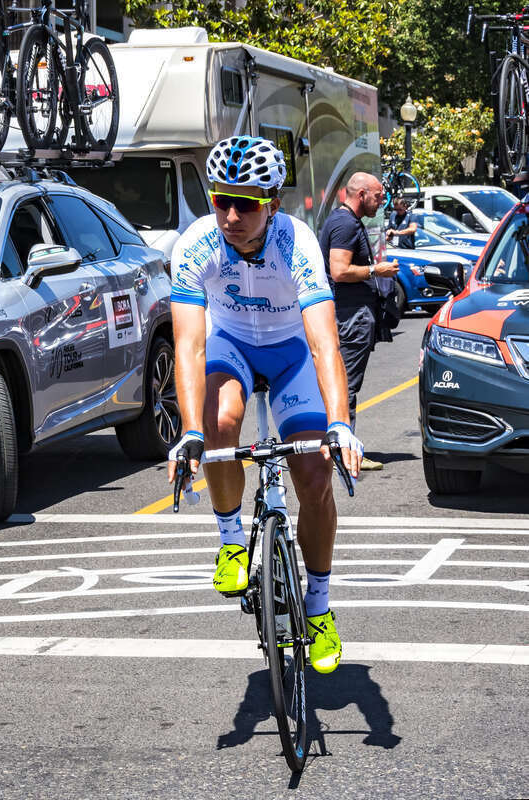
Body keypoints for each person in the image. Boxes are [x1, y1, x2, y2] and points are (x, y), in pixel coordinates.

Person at [167, 136, 363, 674]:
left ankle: (319, 606)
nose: (230, 215)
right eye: (220, 200)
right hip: (229, 344)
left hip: (290, 351)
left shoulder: (296, 244)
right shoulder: (195, 244)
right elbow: (189, 344)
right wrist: (189, 432)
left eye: (246, 203)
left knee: (314, 473)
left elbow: (325, 342)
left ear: (272, 203)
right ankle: (232, 540)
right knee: (219, 422)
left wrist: (341, 424)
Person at [319, 172, 400, 470]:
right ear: (362, 193)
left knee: (344, 382)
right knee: (346, 384)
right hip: (349, 316)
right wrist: (375, 271)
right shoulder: (344, 224)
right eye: (378, 196)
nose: (382, 201)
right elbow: (339, 271)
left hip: (351, 314)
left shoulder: (346, 222)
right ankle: (345, 449)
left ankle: (338, 445)